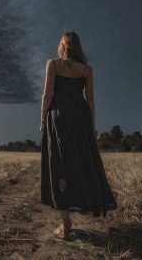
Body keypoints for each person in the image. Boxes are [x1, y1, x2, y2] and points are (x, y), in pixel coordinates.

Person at [40, 31, 117, 239]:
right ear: (78, 46)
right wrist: (91, 125)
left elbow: (48, 94)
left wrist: (42, 121)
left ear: (62, 45)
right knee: (81, 162)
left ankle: (65, 223)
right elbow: (90, 99)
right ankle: (80, 204)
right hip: (80, 118)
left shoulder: (53, 64)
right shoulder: (87, 70)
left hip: (59, 116)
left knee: (59, 164)